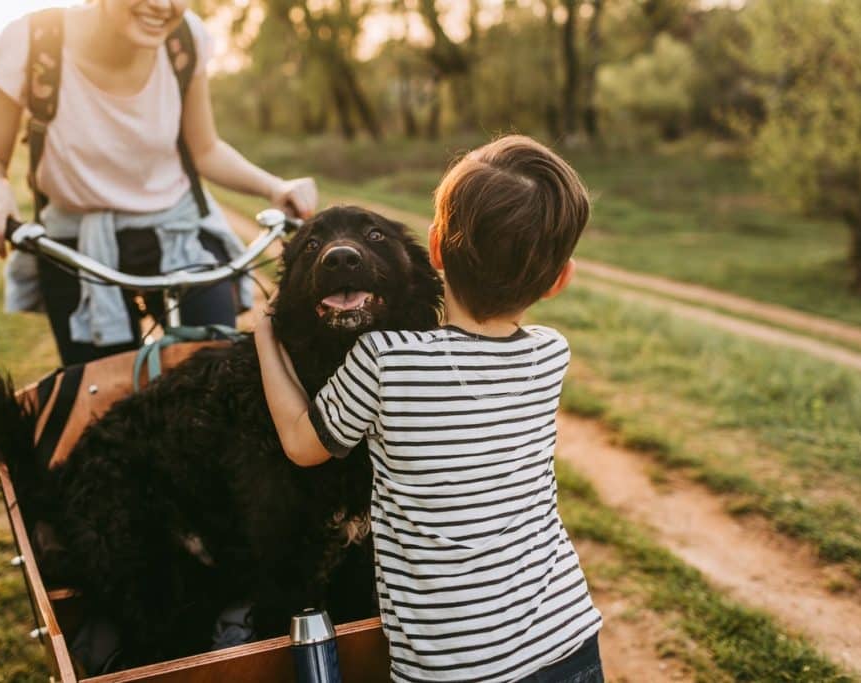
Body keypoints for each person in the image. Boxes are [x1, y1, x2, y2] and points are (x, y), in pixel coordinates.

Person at [254, 135, 603, 682]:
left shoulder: (385, 360)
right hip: (568, 636)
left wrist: (264, 333)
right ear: (561, 280)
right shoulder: (551, 353)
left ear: (436, 249)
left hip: (453, 667)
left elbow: (302, 444)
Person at [0, 0, 317, 366]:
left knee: (213, 373)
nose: (162, 5)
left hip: (179, 233)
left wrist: (275, 187)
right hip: (78, 244)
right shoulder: (32, 42)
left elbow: (205, 149)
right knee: (106, 400)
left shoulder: (185, 39)